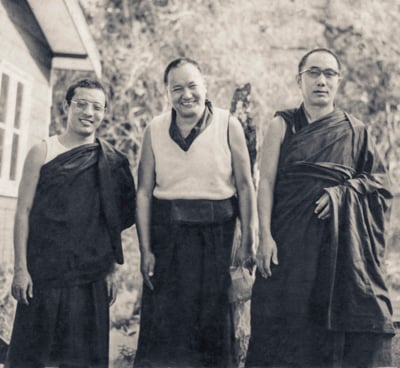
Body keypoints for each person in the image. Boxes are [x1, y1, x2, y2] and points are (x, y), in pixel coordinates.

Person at [246, 48, 395, 368]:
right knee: (285, 324)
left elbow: (380, 183)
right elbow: (266, 181)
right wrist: (265, 237)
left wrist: (342, 194)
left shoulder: (355, 130)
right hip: (288, 243)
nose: (321, 81)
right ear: (299, 80)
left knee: (333, 325)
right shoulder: (282, 124)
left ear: (339, 82)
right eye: (313, 73)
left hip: (339, 246)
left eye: (330, 74)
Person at [134, 57, 256, 368]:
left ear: (205, 86)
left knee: (213, 333)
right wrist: (145, 249)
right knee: (166, 334)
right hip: (168, 240)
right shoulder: (155, 129)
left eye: (192, 86)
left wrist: (248, 239)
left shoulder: (229, 124)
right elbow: (144, 192)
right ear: (167, 93)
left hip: (217, 238)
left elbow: (245, 184)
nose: (186, 95)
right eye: (177, 89)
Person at [7, 79, 136, 368]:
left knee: (83, 360)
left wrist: (112, 271)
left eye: (97, 107)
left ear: (104, 112)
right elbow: (23, 212)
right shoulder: (43, 151)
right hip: (44, 274)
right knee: (34, 358)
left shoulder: (111, 161)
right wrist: (20, 269)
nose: (89, 112)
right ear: (67, 106)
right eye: (81, 103)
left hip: (90, 278)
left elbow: (112, 223)